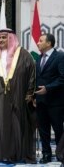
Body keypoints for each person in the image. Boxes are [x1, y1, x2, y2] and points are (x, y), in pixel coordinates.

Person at [0, 29, 36, 163]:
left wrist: (29, 93)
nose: (1, 41)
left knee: (15, 125)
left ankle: (14, 154)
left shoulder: (24, 55)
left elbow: (31, 75)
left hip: (17, 98)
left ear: (11, 38)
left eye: (4, 38)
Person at [34, 33, 64, 164]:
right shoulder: (39, 59)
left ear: (49, 43)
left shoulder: (60, 57)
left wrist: (48, 88)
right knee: (43, 130)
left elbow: (62, 78)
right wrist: (35, 96)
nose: (38, 43)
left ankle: (60, 153)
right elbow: (38, 79)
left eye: (41, 41)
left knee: (58, 130)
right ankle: (46, 154)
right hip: (41, 102)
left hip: (56, 102)